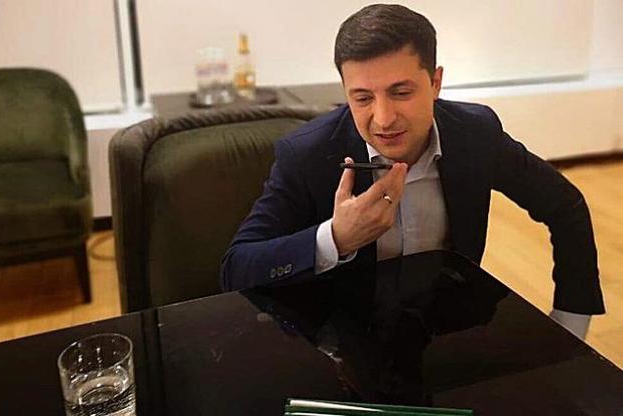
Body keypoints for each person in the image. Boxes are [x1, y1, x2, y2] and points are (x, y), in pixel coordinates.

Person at [221, 4, 604, 338]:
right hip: (342, 339)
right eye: (363, 98)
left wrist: (570, 323)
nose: (383, 119)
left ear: (435, 82)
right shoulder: (307, 154)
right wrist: (335, 238)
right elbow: (236, 269)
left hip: (451, 335)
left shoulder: (475, 134)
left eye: (401, 92)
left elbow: (564, 206)